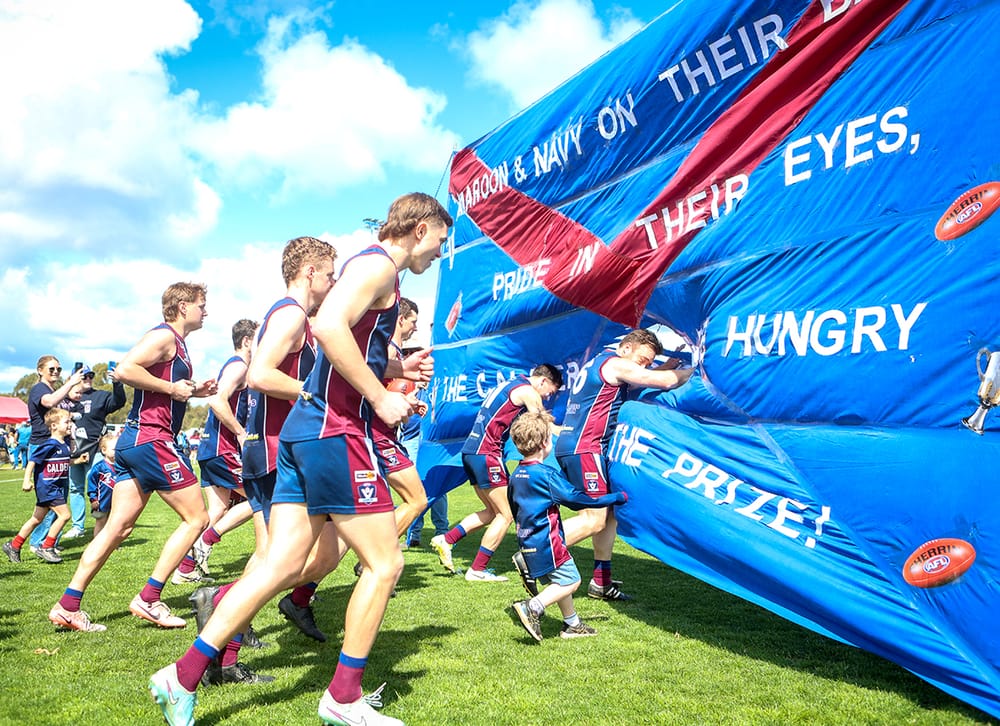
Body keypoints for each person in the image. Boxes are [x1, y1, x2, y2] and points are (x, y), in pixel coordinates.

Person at [149, 192, 450, 726]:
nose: (439, 254)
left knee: (282, 564)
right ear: (420, 228)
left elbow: (344, 344)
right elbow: (330, 326)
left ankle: (181, 676)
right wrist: (381, 398)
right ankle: (342, 697)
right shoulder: (379, 265)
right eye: (440, 241)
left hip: (306, 435)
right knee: (385, 563)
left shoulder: (377, 274)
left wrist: (395, 369)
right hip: (335, 433)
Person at [185, 236, 341, 687]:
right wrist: (313, 394)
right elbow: (260, 374)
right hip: (277, 452)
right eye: (330, 273)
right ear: (309, 271)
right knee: (290, 560)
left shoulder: (300, 319)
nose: (334, 281)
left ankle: (224, 628)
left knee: (307, 555)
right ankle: (224, 622)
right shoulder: (290, 314)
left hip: (275, 450)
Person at [47, 282, 217, 633]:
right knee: (197, 518)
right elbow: (124, 369)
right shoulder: (164, 336)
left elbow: (159, 386)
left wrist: (192, 391)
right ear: (183, 306)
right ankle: (149, 598)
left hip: (134, 442)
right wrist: (172, 388)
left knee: (117, 528)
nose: (206, 310)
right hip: (151, 440)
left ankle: (68, 605)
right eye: (202, 304)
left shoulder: (177, 344)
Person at [544, 329, 691, 602]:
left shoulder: (605, 362)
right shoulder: (616, 363)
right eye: (643, 359)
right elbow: (660, 380)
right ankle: (534, 552)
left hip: (580, 446)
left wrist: (669, 364)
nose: (644, 365)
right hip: (585, 448)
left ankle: (601, 582)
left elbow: (644, 378)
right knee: (594, 519)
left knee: (608, 515)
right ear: (625, 349)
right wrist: (696, 371)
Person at [431, 363, 562, 581]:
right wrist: (571, 434)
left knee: (492, 511)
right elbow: (542, 424)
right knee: (507, 513)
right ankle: (477, 569)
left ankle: (447, 539)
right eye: (550, 391)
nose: (548, 397)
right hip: (487, 453)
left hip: (472, 452)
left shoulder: (510, 383)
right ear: (543, 381)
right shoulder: (529, 391)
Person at [507, 411, 627, 641]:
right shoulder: (545, 475)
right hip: (549, 542)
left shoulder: (516, 474)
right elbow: (577, 500)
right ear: (544, 443)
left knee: (558, 581)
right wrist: (613, 498)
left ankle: (572, 624)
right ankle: (532, 607)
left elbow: (514, 508)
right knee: (572, 581)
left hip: (527, 540)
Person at [175, 318, 258, 585]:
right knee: (260, 498)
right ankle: (207, 541)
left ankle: (185, 568)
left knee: (218, 509)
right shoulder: (239, 366)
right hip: (222, 448)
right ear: (247, 341)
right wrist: (241, 433)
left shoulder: (234, 366)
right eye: (258, 339)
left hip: (210, 448)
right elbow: (216, 401)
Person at [4, 408, 88, 564]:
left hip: (55, 488)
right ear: (54, 426)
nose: (70, 425)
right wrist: (26, 480)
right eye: (67, 422)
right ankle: (47, 547)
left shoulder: (65, 445)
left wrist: (78, 461)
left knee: (36, 519)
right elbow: (32, 461)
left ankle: (13, 546)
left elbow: (64, 462)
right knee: (65, 515)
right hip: (49, 488)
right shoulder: (49, 444)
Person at [25, 357, 86, 551]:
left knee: (58, 497)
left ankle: (49, 542)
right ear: (40, 370)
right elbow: (49, 402)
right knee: (52, 499)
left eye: (59, 369)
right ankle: (39, 543)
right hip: (44, 446)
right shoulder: (39, 390)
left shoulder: (53, 390)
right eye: (51, 368)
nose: (56, 372)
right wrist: (70, 383)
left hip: (57, 447)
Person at [61, 365, 128, 539]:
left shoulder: (100, 396)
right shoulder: (67, 398)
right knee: (75, 488)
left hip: (96, 450)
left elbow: (119, 402)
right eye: (84, 375)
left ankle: (106, 524)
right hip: (73, 451)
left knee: (103, 487)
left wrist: (117, 383)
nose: (89, 378)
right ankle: (78, 527)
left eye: (91, 375)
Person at [87, 432, 118, 538]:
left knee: (113, 522)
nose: (117, 451)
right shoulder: (99, 467)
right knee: (101, 522)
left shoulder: (121, 466)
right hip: (102, 501)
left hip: (115, 501)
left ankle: (110, 543)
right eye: (114, 449)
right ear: (104, 450)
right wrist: (93, 498)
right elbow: (92, 483)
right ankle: (97, 542)